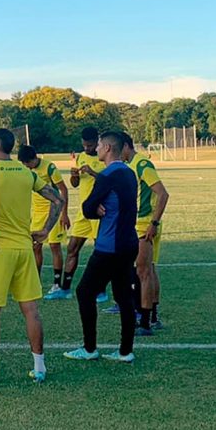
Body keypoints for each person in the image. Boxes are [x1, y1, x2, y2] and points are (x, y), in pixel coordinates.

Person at [0, 128, 63, 386]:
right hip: (24, 250)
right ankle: (39, 368)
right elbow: (58, 200)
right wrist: (45, 230)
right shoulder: (27, 173)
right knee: (31, 310)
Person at [64, 132, 140, 364]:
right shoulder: (129, 172)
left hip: (110, 245)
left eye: (98, 145)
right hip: (129, 242)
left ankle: (89, 348)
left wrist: (95, 208)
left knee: (84, 292)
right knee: (123, 296)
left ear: (107, 148)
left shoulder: (107, 175)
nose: (95, 148)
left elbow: (88, 208)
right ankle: (125, 351)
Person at [121, 133, 170, 333]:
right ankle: (154, 317)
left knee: (143, 272)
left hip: (144, 225)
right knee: (149, 269)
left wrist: (153, 222)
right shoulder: (131, 165)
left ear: (125, 146)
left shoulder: (141, 164)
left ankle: (145, 321)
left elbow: (163, 193)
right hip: (142, 224)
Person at [18, 145, 71, 297]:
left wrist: (64, 213)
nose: (25, 166)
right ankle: (36, 282)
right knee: (35, 246)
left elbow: (63, 189)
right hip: (37, 213)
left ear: (34, 159)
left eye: (27, 163)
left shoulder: (49, 167)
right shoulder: (27, 170)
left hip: (52, 211)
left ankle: (56, 284)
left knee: (54, 246)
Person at [61, 127, 106, 300]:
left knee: (100, 251)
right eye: (85, 145)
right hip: (83, 213)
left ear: (97, 141)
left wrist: (93, 172)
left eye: (90, 145)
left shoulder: (105, 158)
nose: (87, 148)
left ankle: (100, 290)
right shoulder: (80, 157)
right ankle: (65, 288)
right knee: (72, 248)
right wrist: (74, 176)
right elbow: (74, 184)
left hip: (99, 212)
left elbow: (110, 182)